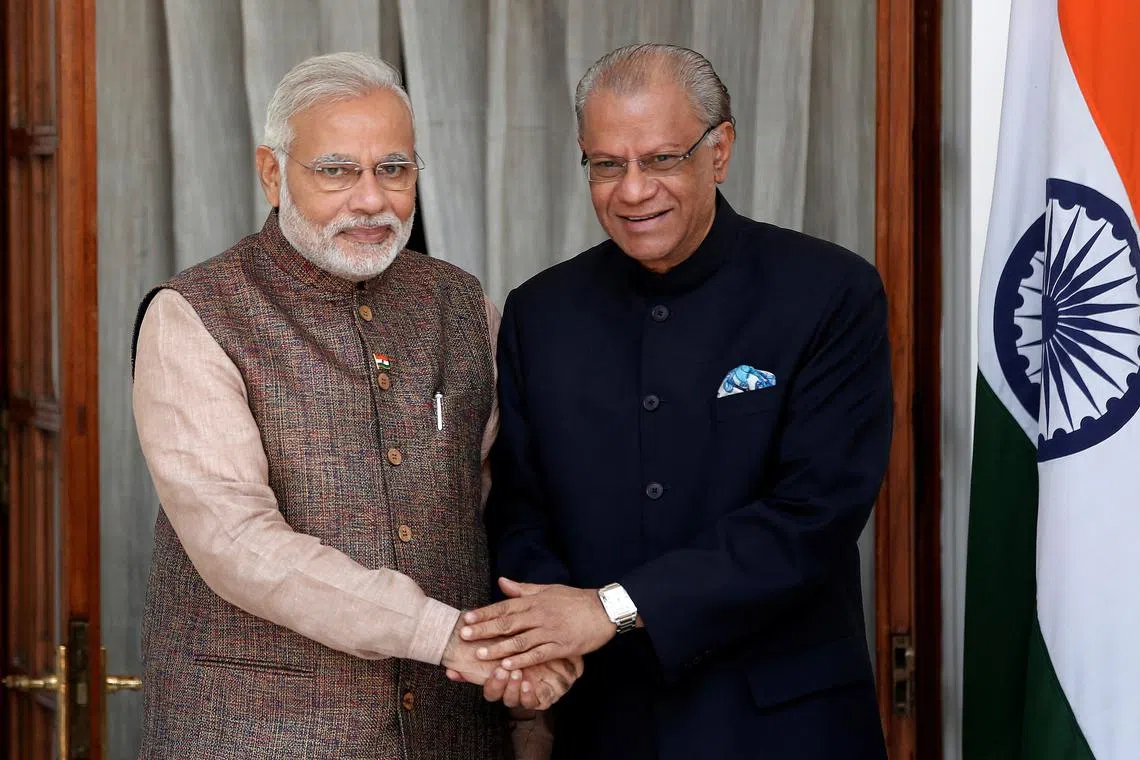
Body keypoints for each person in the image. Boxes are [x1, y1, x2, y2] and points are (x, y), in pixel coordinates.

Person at [131, 52, 574, 759]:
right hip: (260, 735)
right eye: (336, 170)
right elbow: (235, 541)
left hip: (452, 729)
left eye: (394, 169)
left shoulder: (460, 304)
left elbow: (506, 502)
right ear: (273, 173)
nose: (372, 200)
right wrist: (444, 635)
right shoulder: (195, 315)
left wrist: (530, 680)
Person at [460, 43, 893, 759]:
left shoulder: (829, 293)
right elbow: (521, 504)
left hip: (784, 726)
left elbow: (811, 517)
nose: (632, 191)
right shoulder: (542, 312)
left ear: (719, 150)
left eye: (661, 159)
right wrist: (541, 638)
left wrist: (607, 610)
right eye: (607, 164)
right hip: (605, 725)